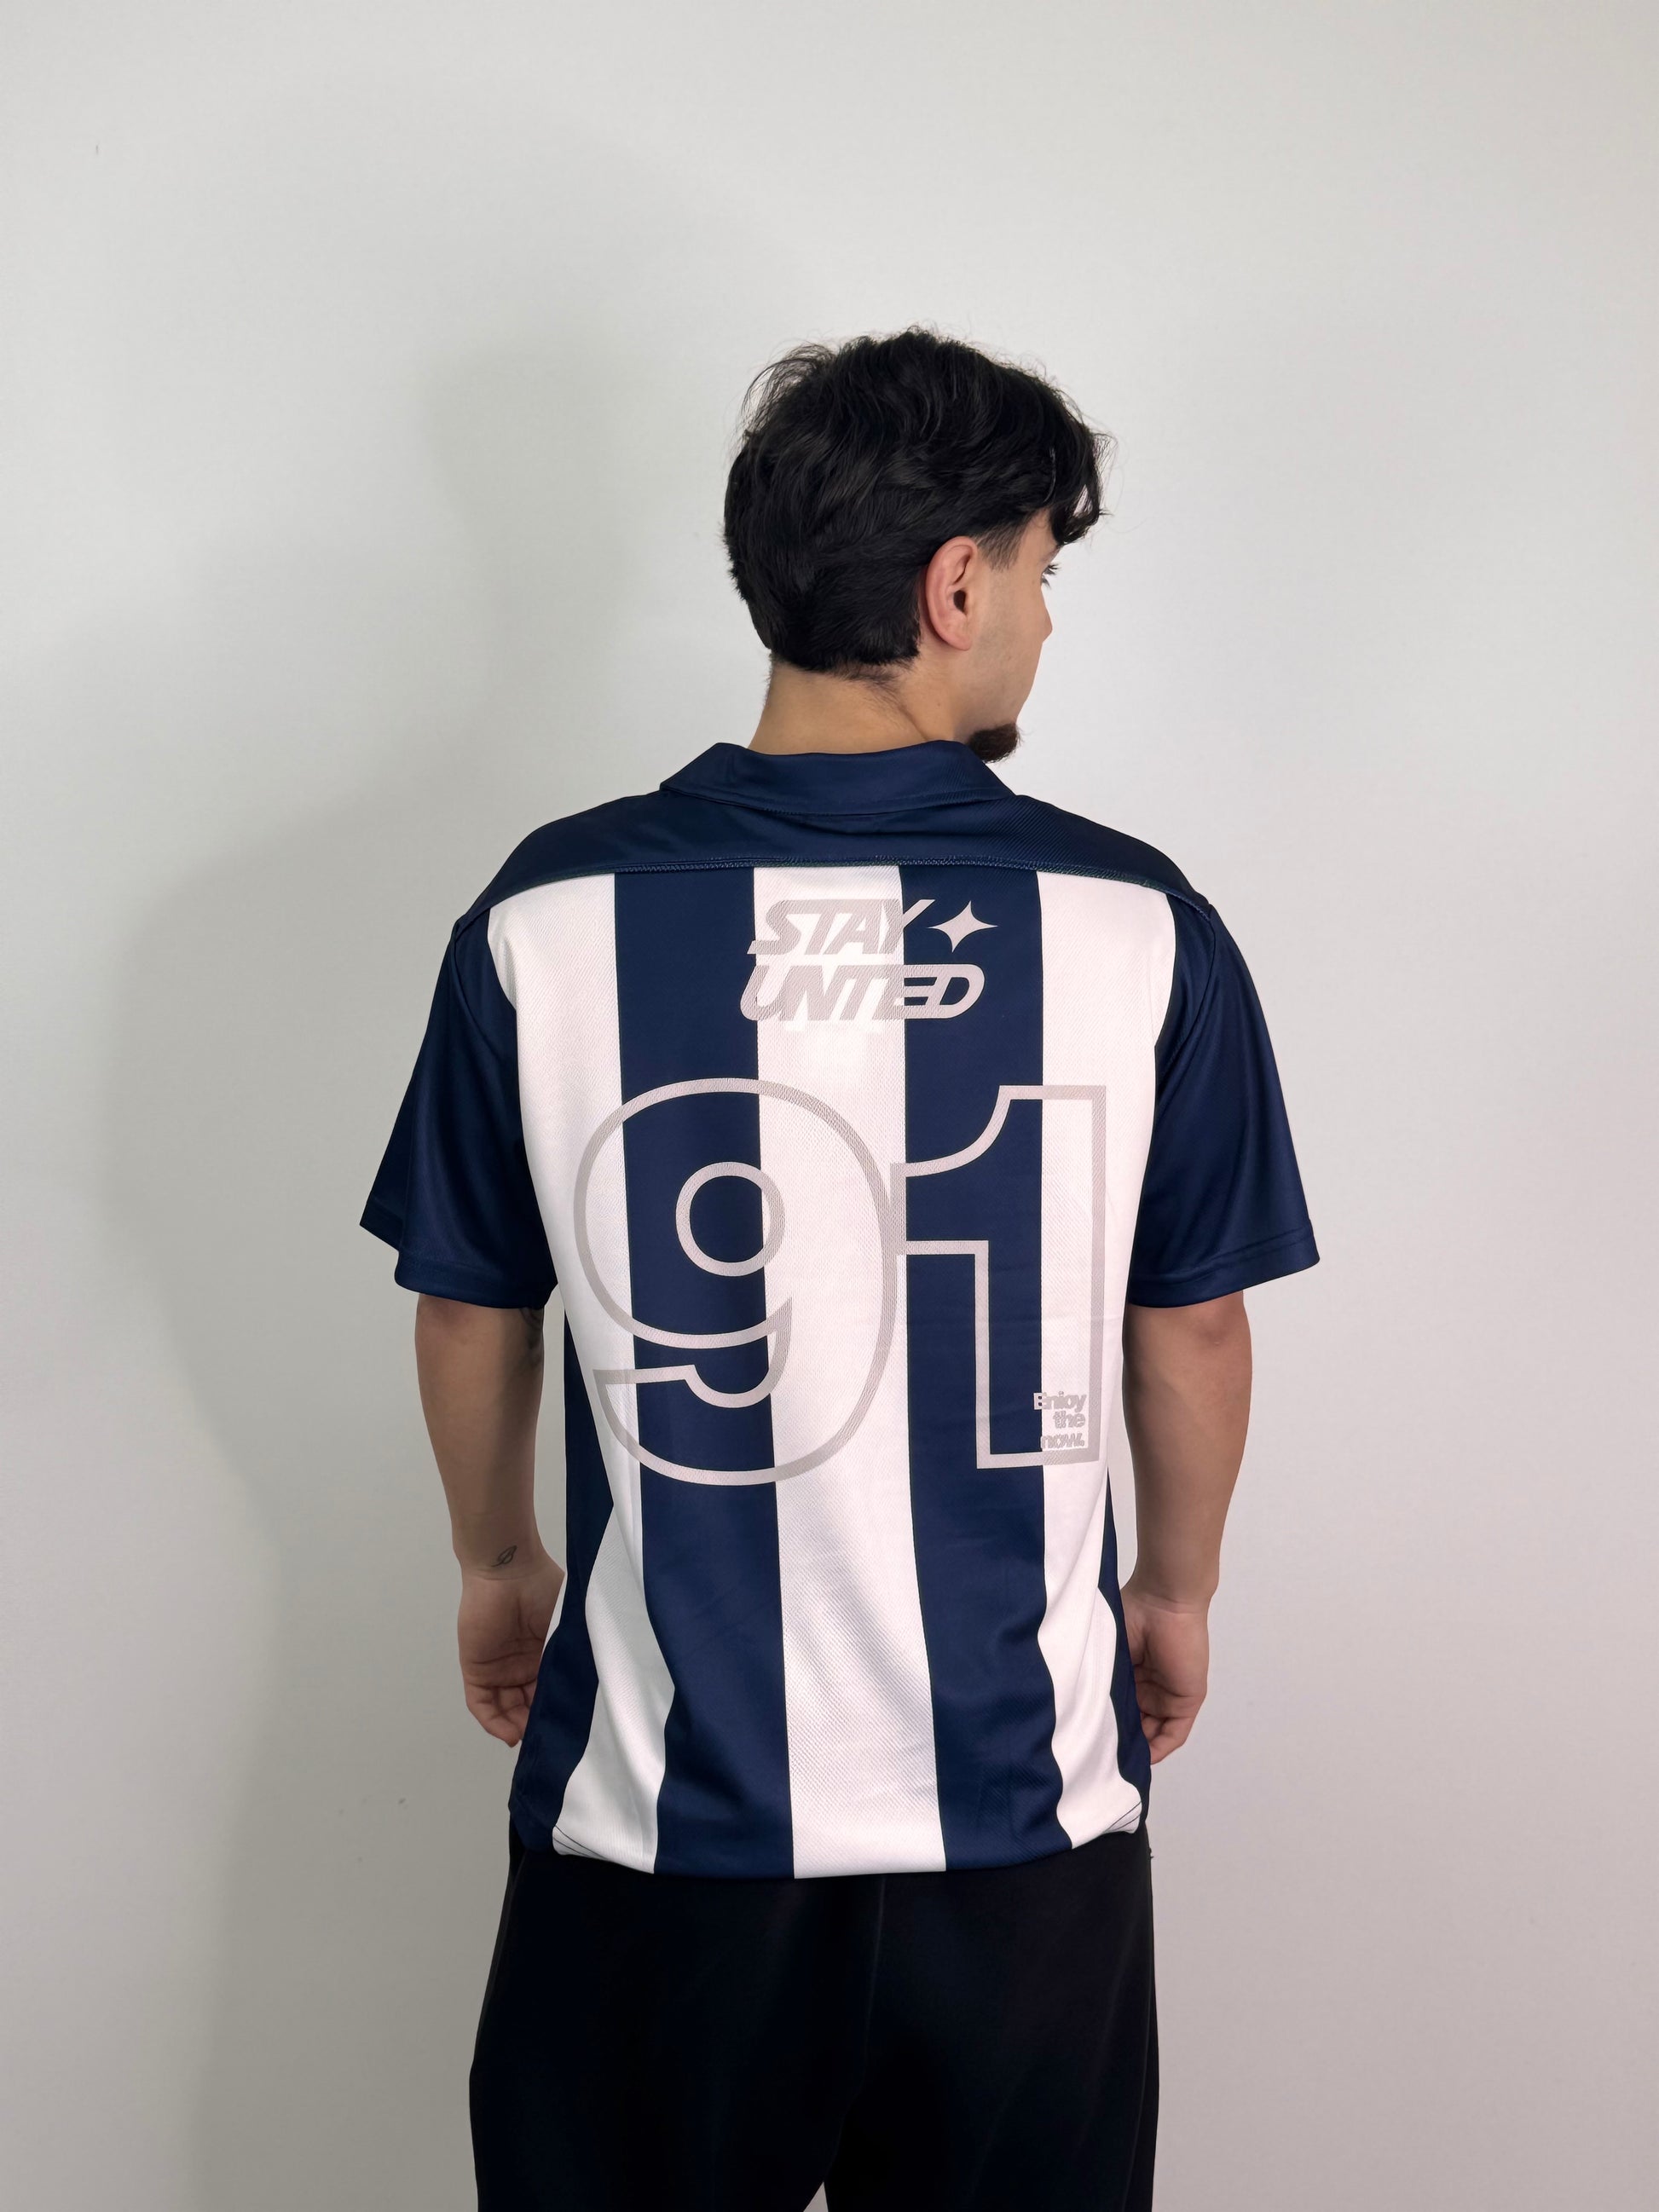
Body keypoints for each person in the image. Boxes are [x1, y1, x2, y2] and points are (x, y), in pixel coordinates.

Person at [362, 328, 1318, 2212]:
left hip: (658, 1828)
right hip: (1023, 1824)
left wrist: (496, 1566)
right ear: (957, 587)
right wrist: (1176, 1591)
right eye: (1039, 573)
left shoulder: (549, 913)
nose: (1042, 620)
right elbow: (1193, 1323)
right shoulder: (1133, 921)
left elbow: (471, 1301)